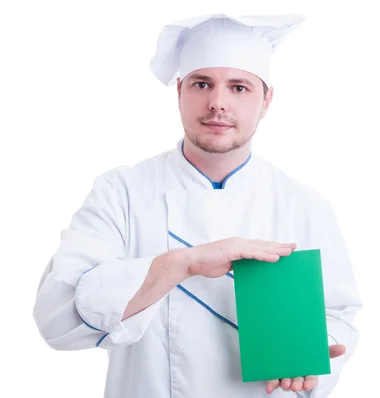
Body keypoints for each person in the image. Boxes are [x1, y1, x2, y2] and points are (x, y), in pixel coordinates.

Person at [33, 13, 362, 398]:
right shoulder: (122, 192)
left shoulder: (304, 205)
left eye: (239, 87)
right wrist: (181, 264)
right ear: (179, 91)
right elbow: (57, 317)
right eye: (201, 84)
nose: (217, 103)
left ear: (266, 99)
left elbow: (337, 316)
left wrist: (312, 359)